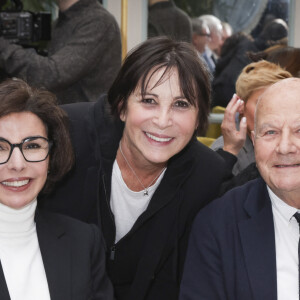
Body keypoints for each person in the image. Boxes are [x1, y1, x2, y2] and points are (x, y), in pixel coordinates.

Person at [39, 37, 230, 300]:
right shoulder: (66, 136)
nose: (163, 121)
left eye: (181, 104)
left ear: (199, 118)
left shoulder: (206, 177)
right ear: (121, 106)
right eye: (149, 101)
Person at [180, 77, 300, 300]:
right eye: (271, 132)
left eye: (299, 130)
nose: (285, 147)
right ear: (254, 141)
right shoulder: (217, 225)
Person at [0, 79, 114, 299]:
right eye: (0, 148)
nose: (17, 164)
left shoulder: (83, 242)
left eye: (32, 146)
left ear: (51, 156)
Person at [0, 0, 121, 104]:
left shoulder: (99, 22)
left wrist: (4, 48)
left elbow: (52, 75)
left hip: (87, 127)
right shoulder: (59, 23)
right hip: (63, 122)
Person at [211, 60, 291, 176]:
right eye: (261, 104)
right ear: (240, 105)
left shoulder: (291, 144)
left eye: (280, 104)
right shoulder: (223, 153)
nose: (273, 112)